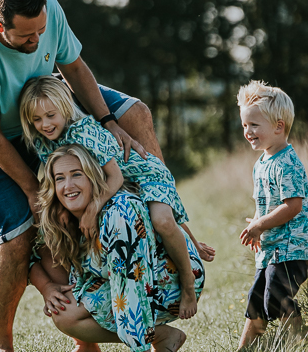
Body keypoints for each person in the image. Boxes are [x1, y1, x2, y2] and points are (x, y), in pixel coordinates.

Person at [0, 0, 161, 352]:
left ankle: (161, 218)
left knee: (136, 114)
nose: (37, 42)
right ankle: (1, 344)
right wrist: (33, 191)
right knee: (21, 235)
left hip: (45, 101)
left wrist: (109, 122)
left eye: (41, 31)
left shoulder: (49, 10)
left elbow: (74, 69)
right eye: (26, 37)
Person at [19, 76, 215, 320]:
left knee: (163, 220)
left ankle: (187, 281)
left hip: (145, 175)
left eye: (51, 115)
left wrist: (91, 210)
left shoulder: (84, 130)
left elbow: (116, 178)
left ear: (65, 108)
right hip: (119, 183)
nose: (45, 124)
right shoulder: (43, 141)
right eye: (36, 119)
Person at [29, 144, 206, 352]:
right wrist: (47, 288)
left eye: (77, 175)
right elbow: (31, 257)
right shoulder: (60, 216)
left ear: (93, 177)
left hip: (170, 278)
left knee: (123, 289)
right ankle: (163, 335)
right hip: (119, 279)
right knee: (64, 313)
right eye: (60, 178)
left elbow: (133, 283)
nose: (68, 186)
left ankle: (146, 340)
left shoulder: (118, 213)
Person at [237, 80, 308, 349]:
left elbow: (293, 206)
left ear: (278, 126)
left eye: (254, 125)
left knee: (275, 295)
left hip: (292, 249)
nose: (248, 131)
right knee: (256, 297)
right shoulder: (262, 163)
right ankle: (244, 350)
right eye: (245, 125)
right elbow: (266, 204)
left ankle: (297, 342)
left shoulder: (288, 163)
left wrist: (260, 224)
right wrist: (258, 224)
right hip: (272, 249)